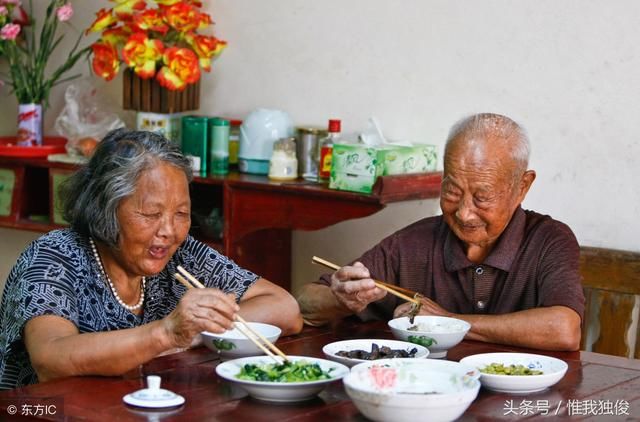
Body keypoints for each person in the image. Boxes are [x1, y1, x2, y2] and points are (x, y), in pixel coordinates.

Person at [0, 129, 303, 390]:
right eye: (151, 214)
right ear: (105, 207)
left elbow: (285, 309)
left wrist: (194, 332)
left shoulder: (181, 256)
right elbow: (50, 359)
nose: (169, 231)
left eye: (181, 214)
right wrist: (167, 333)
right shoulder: (53, 256)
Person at [297, 113, 584, 351]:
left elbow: (563, 329)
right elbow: (306, 301)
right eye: (452, 191)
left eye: (482, 197)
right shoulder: (413, 243)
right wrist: (341, 297)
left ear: (522, 187)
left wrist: (447, 322)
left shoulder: (548, 240)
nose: (464, 212)